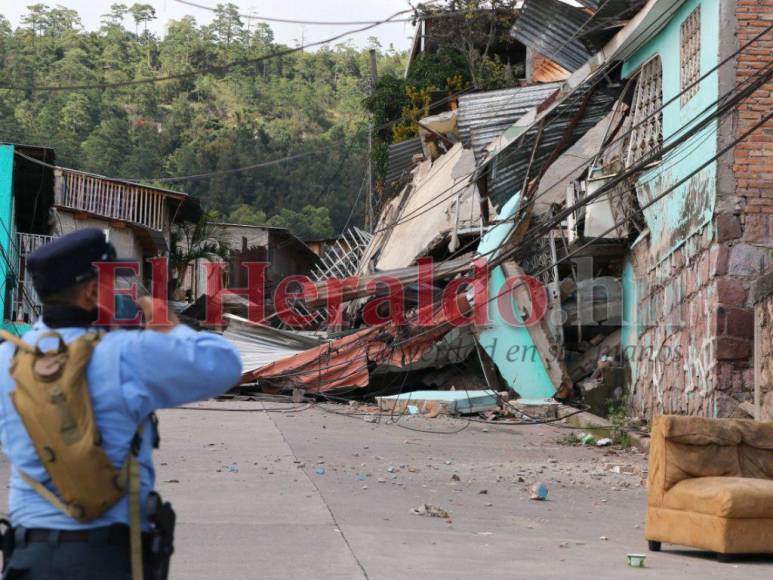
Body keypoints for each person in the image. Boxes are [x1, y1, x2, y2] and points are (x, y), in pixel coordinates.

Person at [0, 229, 242, 579]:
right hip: (105, 559)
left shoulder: (8, 359)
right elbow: (224, 365)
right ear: (92, 291)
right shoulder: (125, 354)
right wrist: (168, 327)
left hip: (27, 562)